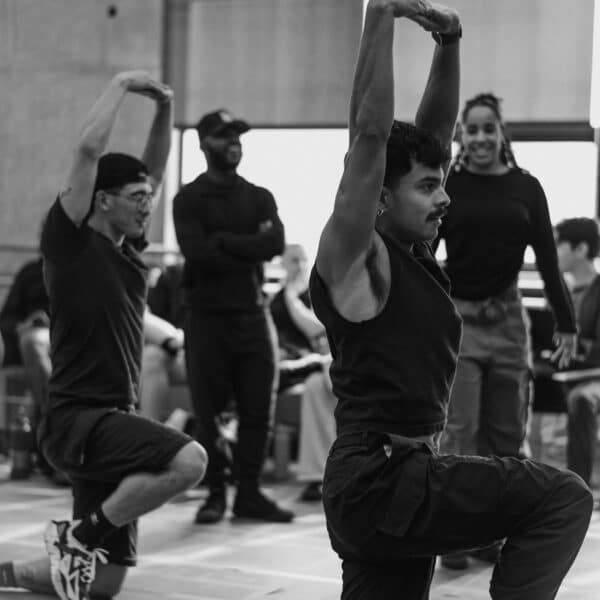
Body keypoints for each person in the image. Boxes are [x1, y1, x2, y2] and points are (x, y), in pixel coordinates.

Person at [309, 1, 592, 598]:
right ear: (379, 195)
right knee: (563, 497)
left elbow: (433, 135)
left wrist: (450, 41)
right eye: (427, 187)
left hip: (391, 483)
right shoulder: (357, 257)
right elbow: (369, 136)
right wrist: (380, 14)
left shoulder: (411, 251)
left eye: (442, 183)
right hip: (381, 478)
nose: (444, 199)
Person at [0, 71, 207, 600]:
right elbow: (89, 149)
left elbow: (154, 169)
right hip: (78, 419)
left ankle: (11, 573)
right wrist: (120, 85)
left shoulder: (129, 251)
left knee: (104, 585)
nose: (147, 204)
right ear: (102, 200)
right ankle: (79, 537)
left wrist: (165, 107)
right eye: (136, 197)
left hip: (114, 416)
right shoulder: (68, 242)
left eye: (148, 197)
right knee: (190, 461)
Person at [432, 92, 578, 569]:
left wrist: (567, 322)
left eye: (488, 128)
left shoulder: (526, 187)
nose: (479, 138)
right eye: (471, 129)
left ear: (502, 133)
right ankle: (454, 534)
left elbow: (548, 259)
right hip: (460, 319)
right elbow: (424, 251)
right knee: (460, 431)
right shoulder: (449, 183)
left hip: (510, 321)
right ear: (462, 135)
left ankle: (490, 533)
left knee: (506, 437)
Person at [173, 109, 294, 524]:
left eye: (237, 135)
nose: (234, 143)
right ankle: (215, 494)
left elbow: (275, 243)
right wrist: (247, 245)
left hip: (253, 316)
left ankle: (248, 493)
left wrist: (223, 241)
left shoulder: (259, 196)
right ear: (204, 143)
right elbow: (196, 253)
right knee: (209, 413)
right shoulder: (188, 199)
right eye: (224, 136)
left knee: (259, 410)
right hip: (206, 319)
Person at [270, 244, 334, 501]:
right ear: (283, 264)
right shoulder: (274, 299)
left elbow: (317, 330)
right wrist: (287, 295)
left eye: (303, 259)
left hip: (315, 362)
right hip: (287, 365)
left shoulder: (317, 294)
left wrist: (292, 298)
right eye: (293, 260)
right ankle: (318, 477)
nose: (299, 265)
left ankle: (324, 475)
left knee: (320, 381)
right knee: (319, 380)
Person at [553, 218, 600, 488]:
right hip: (567, 372)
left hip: (593, 375)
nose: (553, 251)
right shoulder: (563, 292)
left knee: (581, 398)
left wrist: (573, 344)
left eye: (559, 244)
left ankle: (578, 488)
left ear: (581, 249)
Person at [0, 253, 52, 477]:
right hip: (31, 336)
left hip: (68, 336)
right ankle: (53, 423)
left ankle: (53, 426)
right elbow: (7, 317)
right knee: (31, 340)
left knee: (33, 341)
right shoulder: (30, 272)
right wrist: (23, 325)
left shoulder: (81, 268)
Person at [140, 262, 188, 424]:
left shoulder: (236, 273)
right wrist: (174, 340)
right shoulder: (172, 275)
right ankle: (148, 432)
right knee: (151, 357)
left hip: (219, 351)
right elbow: (155, 317)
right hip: (181, 352)